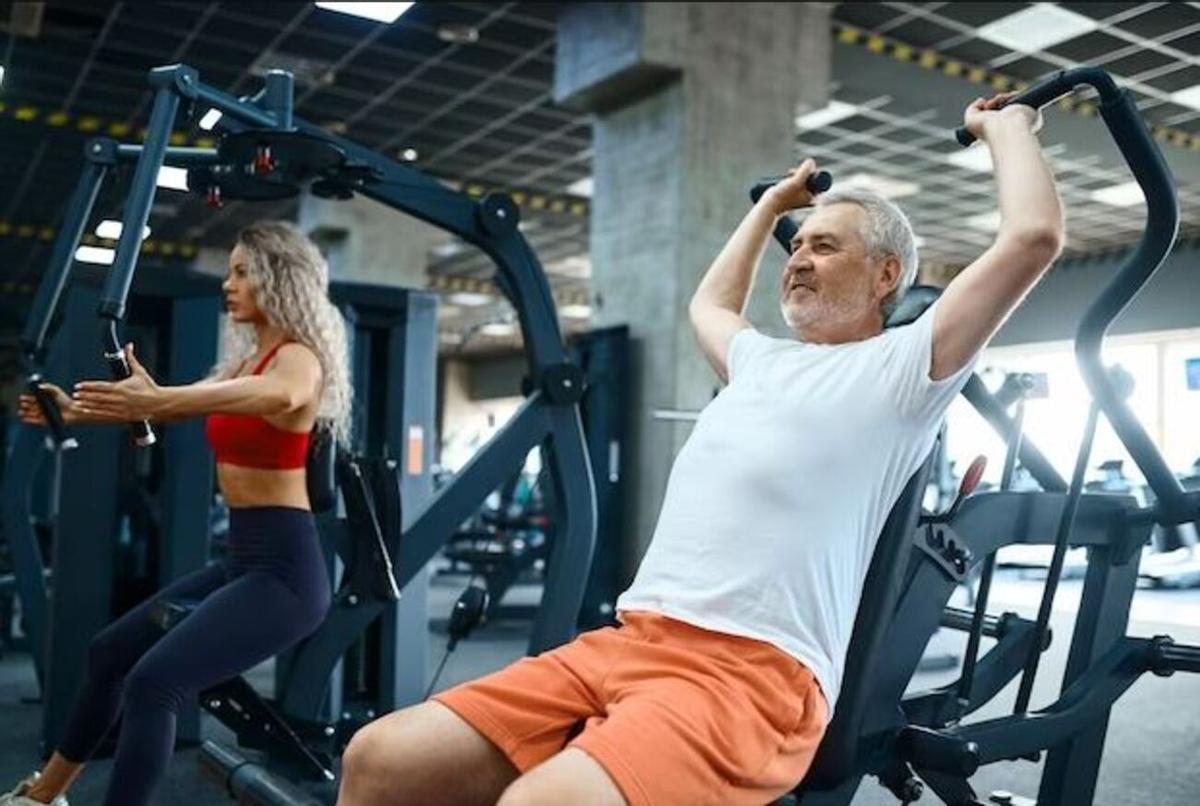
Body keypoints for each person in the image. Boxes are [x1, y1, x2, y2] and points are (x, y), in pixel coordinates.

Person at [336, 92, 1063, 806]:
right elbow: (708, 306)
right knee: (380, 759)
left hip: (752, 674)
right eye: (798, 246)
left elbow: (1032, 237)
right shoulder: (761, 360)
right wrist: (769, 209)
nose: (800, 259)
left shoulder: (907, 370)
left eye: (826, 244)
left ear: (885, 276)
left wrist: (1006, 128)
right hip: (627, 642)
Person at [3, 221, 352, 806]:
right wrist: (84, 413)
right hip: (243, 560)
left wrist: (161, 398)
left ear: (279, 278)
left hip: (285, 574)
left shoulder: (298, 359)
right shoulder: (246, 363)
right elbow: (180, 405)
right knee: (111, 652)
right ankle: (43, 796)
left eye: (243, 272)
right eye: (231, 270)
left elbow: (282, 398)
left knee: (155, 683)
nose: (228, 283)